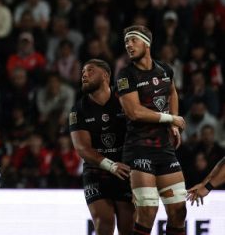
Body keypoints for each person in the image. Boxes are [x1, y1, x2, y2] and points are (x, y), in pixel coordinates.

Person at [116, 25, 187, 235]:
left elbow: (172, 92)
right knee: (147, 210)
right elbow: (134, 112)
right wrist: (170, 118)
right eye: (126, 42)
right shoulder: (125, 75)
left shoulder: (165, 69)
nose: (128, 45)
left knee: (179, 211)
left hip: (164, 149)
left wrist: (173, 125)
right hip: (139, 149)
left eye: (133, 40)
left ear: (146, 43)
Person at [69, 59, 133, 235]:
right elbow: (82, 149)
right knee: (104, 224)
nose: (84, 74)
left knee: (129, 228)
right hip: (97, 171)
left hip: (126, 170)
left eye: (90, 70)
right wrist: (110, 165)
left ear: (105, 75)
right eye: (83, 71)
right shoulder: (78, 109)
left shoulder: (124, 100)